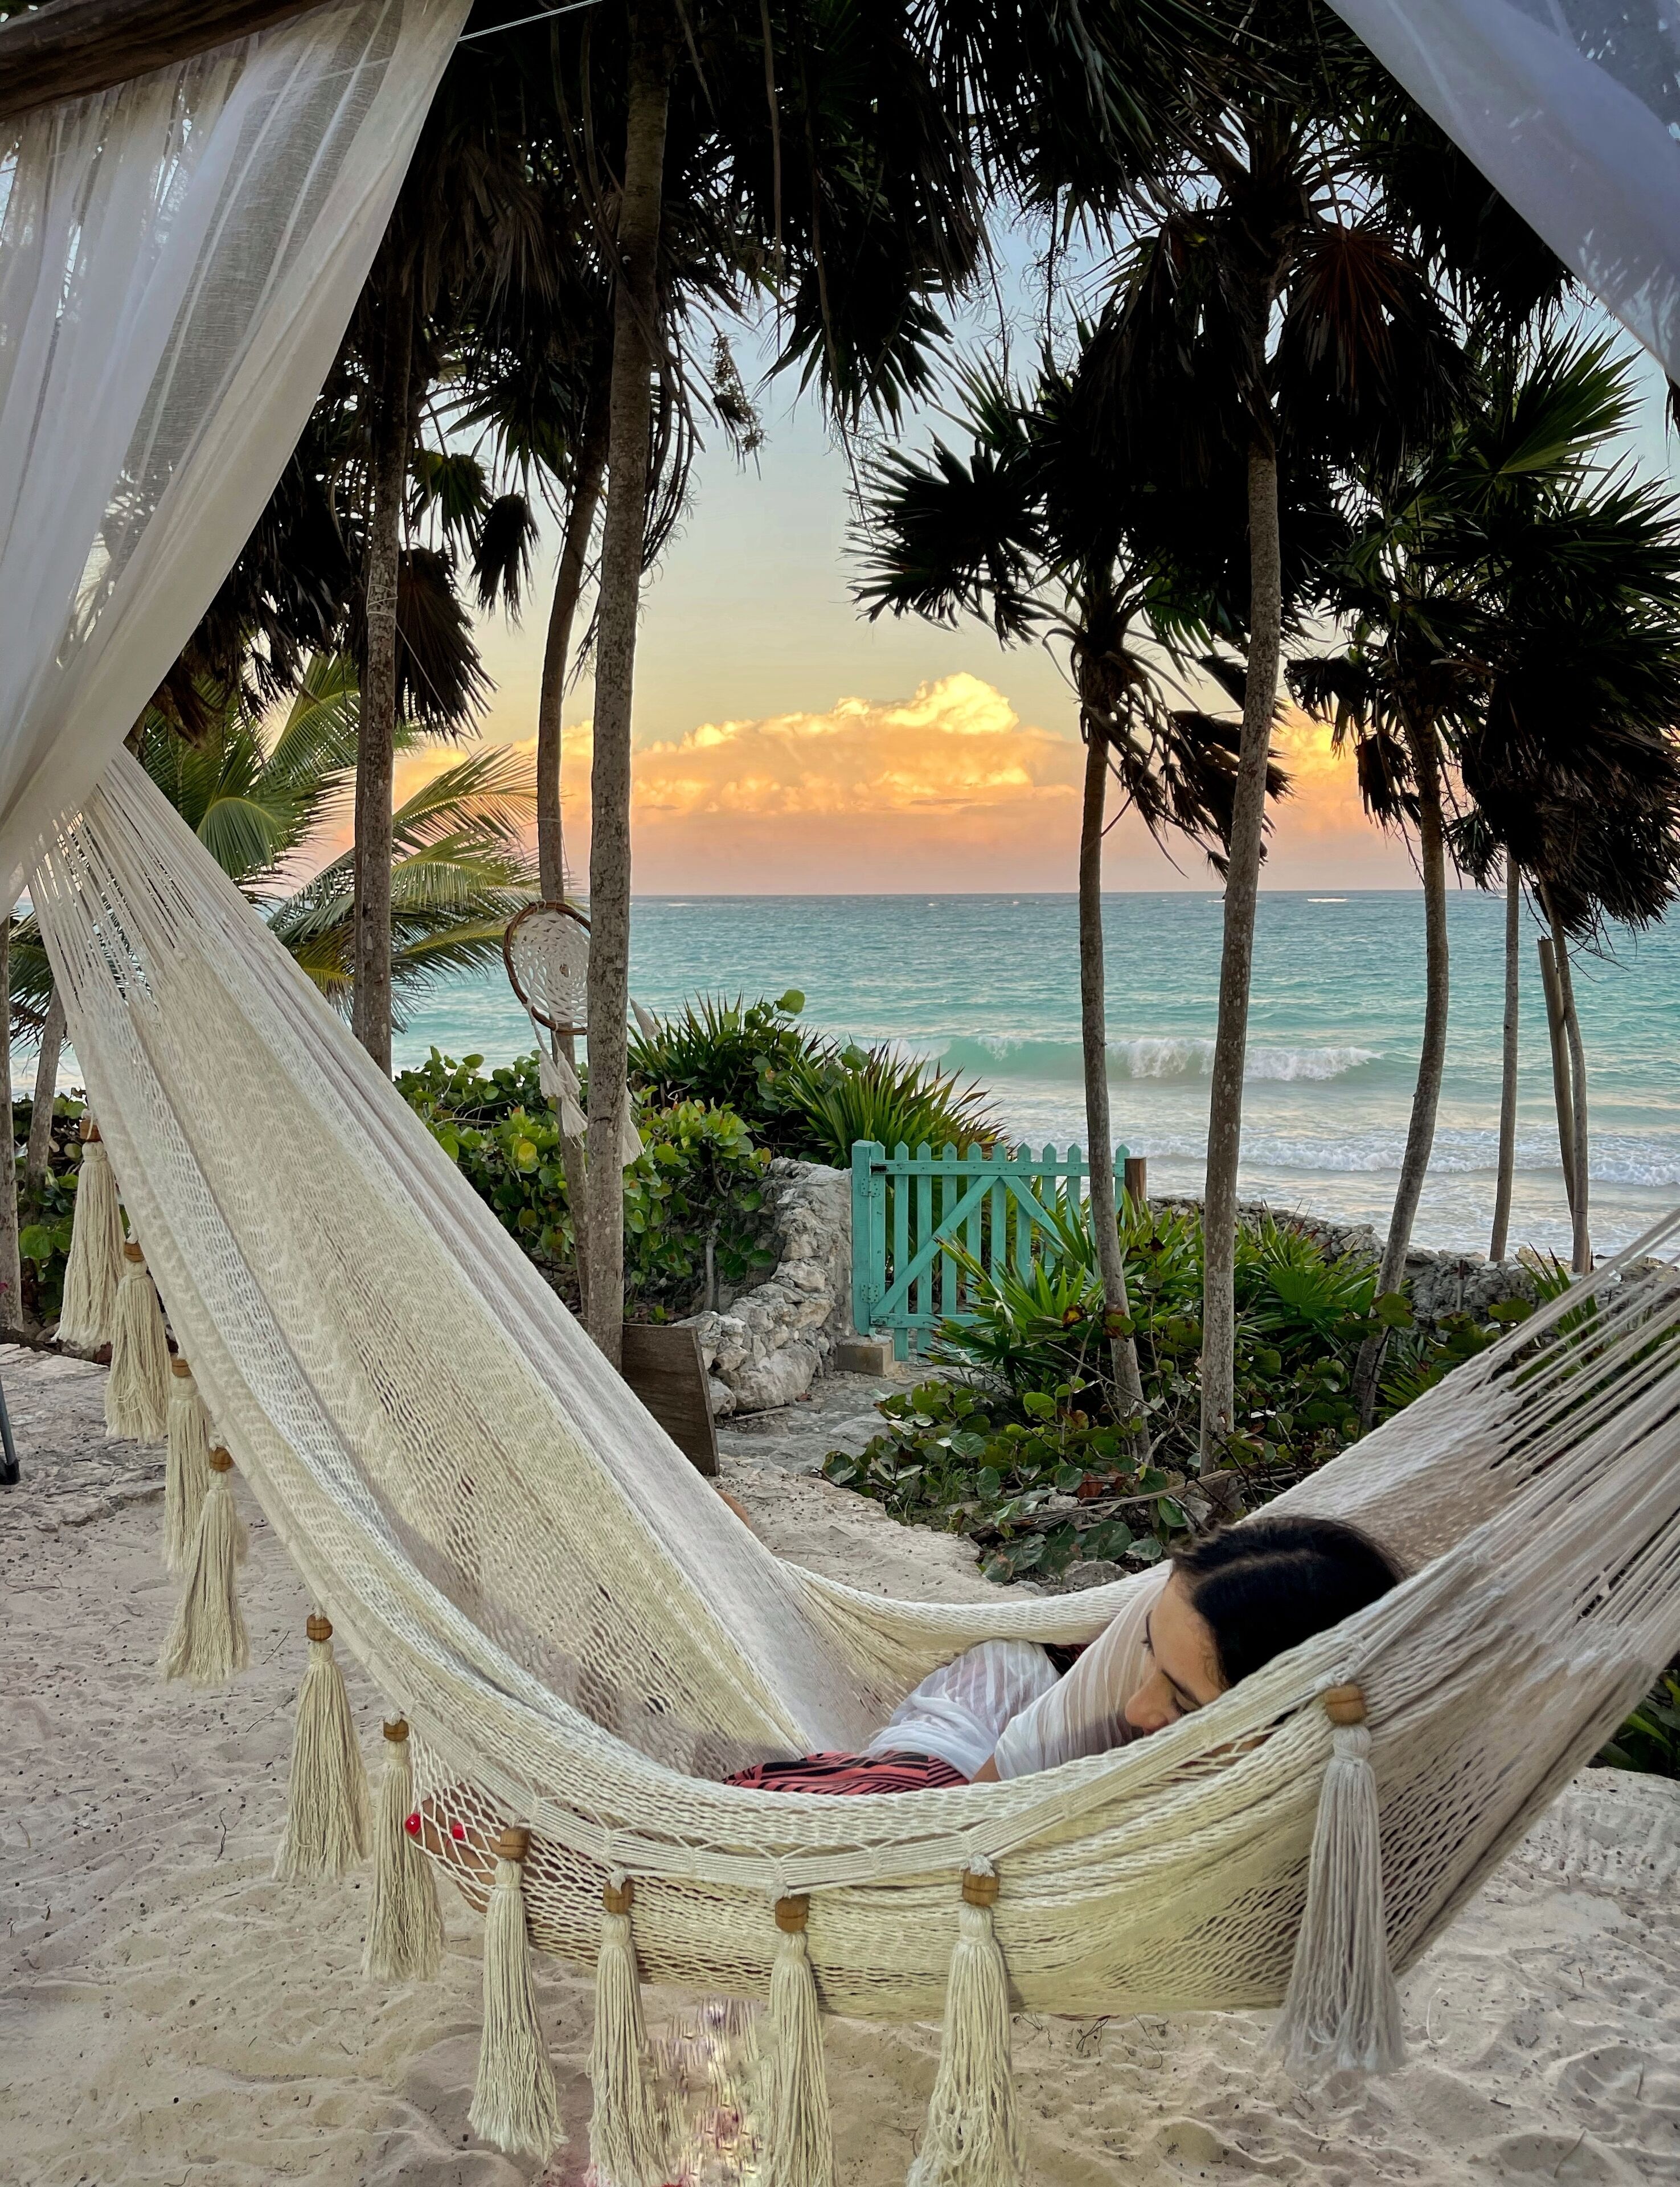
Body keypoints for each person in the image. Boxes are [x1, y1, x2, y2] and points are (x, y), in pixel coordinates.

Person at [727, 1513, 1402, 1795]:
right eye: (1150, 1655)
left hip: (1016, 1709)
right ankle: (737, 1558)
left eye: (1183, 1701)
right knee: (1000, 1670)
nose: (1140, 1708)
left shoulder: (1339, 1736)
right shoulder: (1170, 1635)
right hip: (991, 1739)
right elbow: (966, 1816)